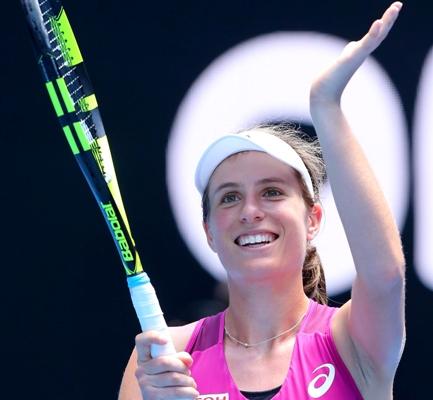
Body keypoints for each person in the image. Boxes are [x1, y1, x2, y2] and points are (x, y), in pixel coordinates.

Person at [118, 2, 406, 399]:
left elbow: (385, 275)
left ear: (313, 219)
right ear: (209, 233)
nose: (250, 211)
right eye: (229, 197)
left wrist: (325, 105)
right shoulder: (162, 362)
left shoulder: (350, 342)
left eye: (271, 192)